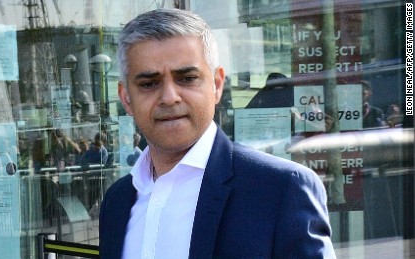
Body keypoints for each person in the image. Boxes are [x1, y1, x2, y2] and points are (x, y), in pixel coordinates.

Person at [99, 8, 336, 259]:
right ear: (126, 98)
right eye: (149, 84)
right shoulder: (117, 202)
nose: (169, 97)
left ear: (217, 85)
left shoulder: (281, 189)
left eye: (187, 78)